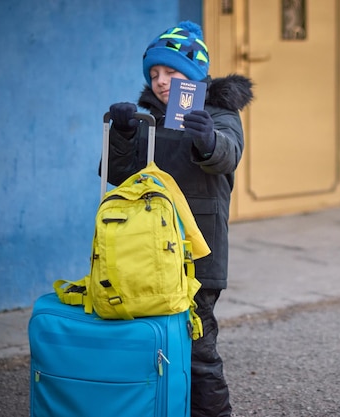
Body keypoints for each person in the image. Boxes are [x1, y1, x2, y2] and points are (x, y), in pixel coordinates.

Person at [104, 21, 252, 417]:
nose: (161, 81)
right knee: (152, 342)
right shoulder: (146, 116)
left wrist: (208, 139)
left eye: (171, 72)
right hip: (147, 247)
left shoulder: (220, 112)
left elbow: (228, 153)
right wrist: (120, 134)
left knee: (198, 348)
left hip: (198, 250)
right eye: (154, 74)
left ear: (193, 74)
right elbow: (115, 176)